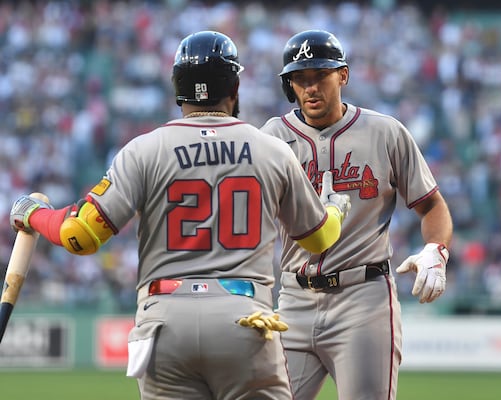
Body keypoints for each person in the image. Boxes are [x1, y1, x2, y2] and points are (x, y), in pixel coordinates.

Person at [9, 31, 350, 400]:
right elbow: (318, 239)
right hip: (244, 319)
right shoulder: (273, 149)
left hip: (164, 321)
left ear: (178, 89)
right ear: (234, 87)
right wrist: (334, 207)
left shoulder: (143, 149)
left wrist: (35, 214)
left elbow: (80, 234)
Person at [260, 29, 453, 400]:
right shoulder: (271, 136)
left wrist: (436, 250)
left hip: (363, 299)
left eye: (320, 76)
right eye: (300, 79)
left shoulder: (385, 132)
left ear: (343, 76)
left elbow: (432, 205)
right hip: (294, 297)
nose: (310, 88)